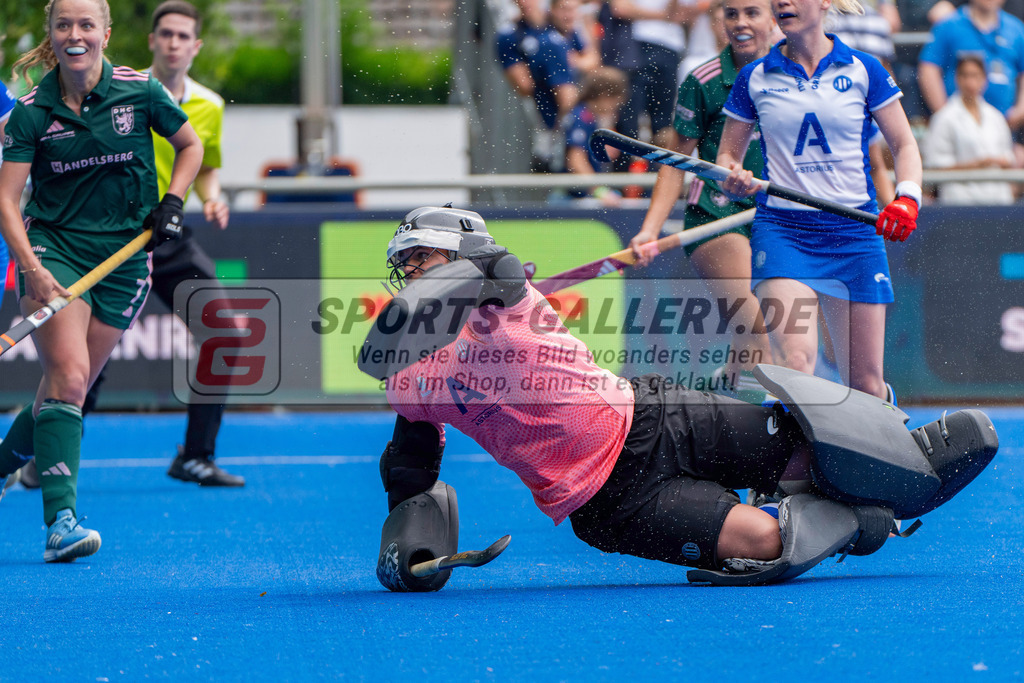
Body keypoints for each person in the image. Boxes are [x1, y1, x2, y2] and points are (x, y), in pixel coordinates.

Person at [365, 206, 997, 591]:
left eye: (426, 258)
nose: (414, 273)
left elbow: (494, 274)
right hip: (608, 500)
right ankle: (863, 520)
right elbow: (411, 455)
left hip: (653, 416)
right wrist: (407, 543)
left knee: (812, 448)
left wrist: (473, 268)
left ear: (462, 260)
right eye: (409, 263)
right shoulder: (417, 376)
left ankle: (899, 464)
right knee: (766, 545)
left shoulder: (507, 301)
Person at [0, 0, 203, 562]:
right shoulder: (31, 112)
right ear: (52, 34)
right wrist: (35, 273)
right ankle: (60, 523)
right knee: (67, 379)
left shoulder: (139, 92)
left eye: (86, 24)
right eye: (63, 24)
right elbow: (5, 201)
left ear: (105, 33)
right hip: (54, 251)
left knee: (66, 389)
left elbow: (191, 145)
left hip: (124, 262)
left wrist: (173, 201)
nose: (75, 34)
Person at [716, 0, 924, 400]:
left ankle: (880, 449)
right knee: (795, 362)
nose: (782, 3)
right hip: (784, 233)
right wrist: (733, 176)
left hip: (854, 233)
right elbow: (728, 158)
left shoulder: (865, 69)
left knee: (864, 385)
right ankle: (797, 461)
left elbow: (904, 144)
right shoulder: (753, 78)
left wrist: (907, 198)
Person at [75, 0, 243, 487]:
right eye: (165, 34)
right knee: (86, 361)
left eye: (182, 36)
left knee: (225, 336)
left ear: (196, 46)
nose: (173, 43)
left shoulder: (208, 105)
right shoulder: (120, 91)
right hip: (111, 243)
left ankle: (195, 456)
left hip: (169, 241)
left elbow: (205, 164)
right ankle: (48, 459)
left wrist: (213, 198)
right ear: (152, 41)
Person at [629, 0, 778, 401]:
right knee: (756, 329)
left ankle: (722, 392)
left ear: (774, 16)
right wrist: (650, 229)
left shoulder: (796, 74)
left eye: (752, 12)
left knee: (765, 341)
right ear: (718, 21)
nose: (741, 22)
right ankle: (751, 443)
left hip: (777, 217)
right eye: (731, 13)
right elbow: (674, 163)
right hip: (716, 213)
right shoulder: (704, 80)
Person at [917, 0, 1024, 135]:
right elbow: (928, 69)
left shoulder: (1016, 29)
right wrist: (944, 114)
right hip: (958, 129)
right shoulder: (949, 25)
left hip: (1004, 128)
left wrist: (1020, 110)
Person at [924, 54, 1017, 204]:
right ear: (957, 79)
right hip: (960, 202)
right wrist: (978, 164)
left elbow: (1008, 158)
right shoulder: (944, 118)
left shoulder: (996, 117)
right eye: (965, 75)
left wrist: (993, 162)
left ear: (984, 79)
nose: (970, 82)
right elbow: (936, 167)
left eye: (975, 75)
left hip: (998, 201)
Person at [562, 66, 629, 203]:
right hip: (572, 199)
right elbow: (575, 160)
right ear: (604, 95)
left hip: (583, 195)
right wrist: (600, 191)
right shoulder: (581, 117)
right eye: (616, 99)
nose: (618, 105)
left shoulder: (592, 118)